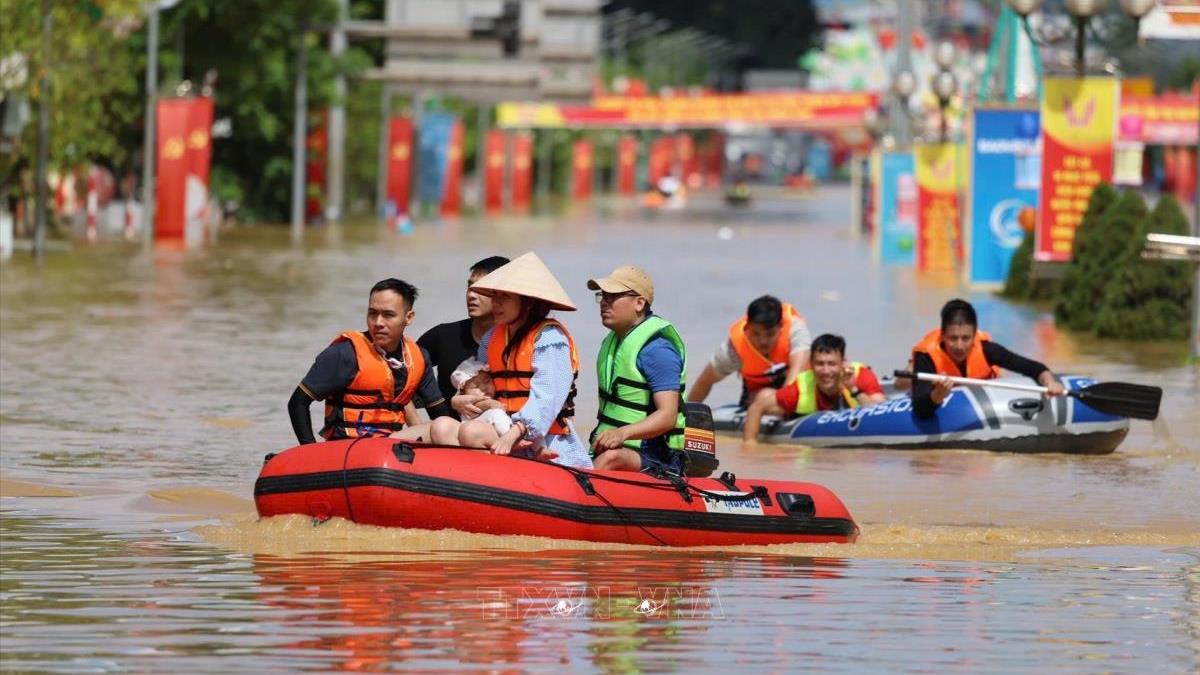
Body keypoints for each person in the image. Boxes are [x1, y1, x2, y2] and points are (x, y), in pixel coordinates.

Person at [428, 252, 593, 469]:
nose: (496, 303)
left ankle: (505, 472)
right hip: (498, 423)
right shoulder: (492, 338)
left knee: (470, 432)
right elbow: (479, 380)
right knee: (441, 427)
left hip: (540, 438)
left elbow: (547, 398)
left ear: (528, 302)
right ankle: (469, 481)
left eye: (504, 297)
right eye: (494, 296)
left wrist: (514, 433)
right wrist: (460, 399)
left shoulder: (550, 338)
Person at [287, 278, 451, 444]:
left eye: (388, 315)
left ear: (408, 318)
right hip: (346, 448)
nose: (378, 323)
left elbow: (440, 415)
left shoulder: (418, 357)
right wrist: (310, 450)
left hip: (390, 448)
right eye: (373, 313)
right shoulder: (345, 353)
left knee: (447, 427)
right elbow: (298, 402)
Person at [586, 265, 688, 474]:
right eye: (602, 296)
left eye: (612, 296)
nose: (604, 302)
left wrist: (622, 434)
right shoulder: (613, 342)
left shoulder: (658, 350)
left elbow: (668, 416)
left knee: (611, 458)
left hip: (657, 455)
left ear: (639, 303)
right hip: (616, 448)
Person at [908, 298, 1065, 419]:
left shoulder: (987, 349)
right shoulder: (926, 356)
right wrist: (938, 395)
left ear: (975, 335)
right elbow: (920, 410)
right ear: (942, 335)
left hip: (988, 402)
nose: (960, 345)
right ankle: (906, 374)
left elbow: (1032, 367)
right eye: (953, 338)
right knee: (905, 380)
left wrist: (1050, 382)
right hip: (940, 398)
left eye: (966, 338)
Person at [742, 333, 885, 442]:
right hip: (799, 420)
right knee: (763, 395)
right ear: (811, 365)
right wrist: (750, 446)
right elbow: (756, 408)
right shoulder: (800, 388)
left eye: (832, 364)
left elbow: (882, 412)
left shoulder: (861, 376)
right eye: (820, 364)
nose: (826, 371)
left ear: (843, 363)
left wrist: (853, 389)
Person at [417, 255, 511, 415]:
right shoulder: (443, 336)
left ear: (506, 294)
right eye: (470, 287)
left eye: (481, 289)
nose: (471, 295)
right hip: (444, 432)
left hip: (503, 431)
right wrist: (418, 418)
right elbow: (400, 376)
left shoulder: (522, 342)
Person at [686, 295, 811, 407]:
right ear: (748, 327)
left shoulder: (796, 330)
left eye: (770, 334)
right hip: (758, 397)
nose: (763, 341)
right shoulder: (734, 349)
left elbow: (796, 373)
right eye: (756, 334)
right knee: (764, 396)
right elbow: (705, 381)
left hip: (800, 391)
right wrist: (685, 419)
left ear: (780, 327)